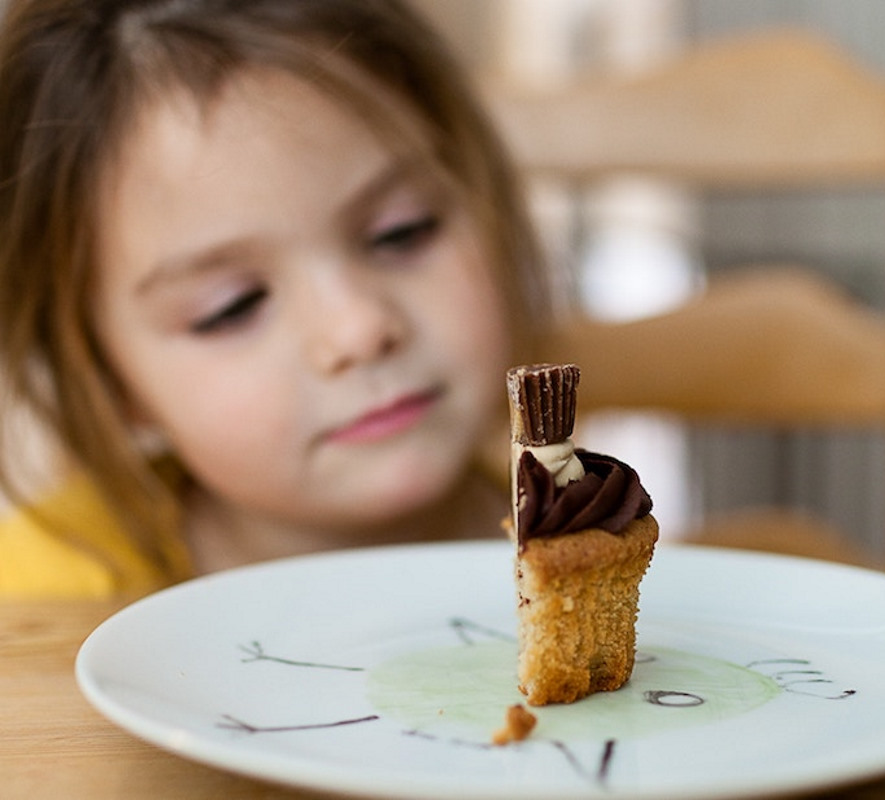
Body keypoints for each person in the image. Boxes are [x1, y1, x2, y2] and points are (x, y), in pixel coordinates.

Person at [0, 0, 551, 598]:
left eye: (403, 231)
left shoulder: (592, 543)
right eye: (230, 306)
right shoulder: (29, 607)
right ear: (109, 380)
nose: (358, 328)